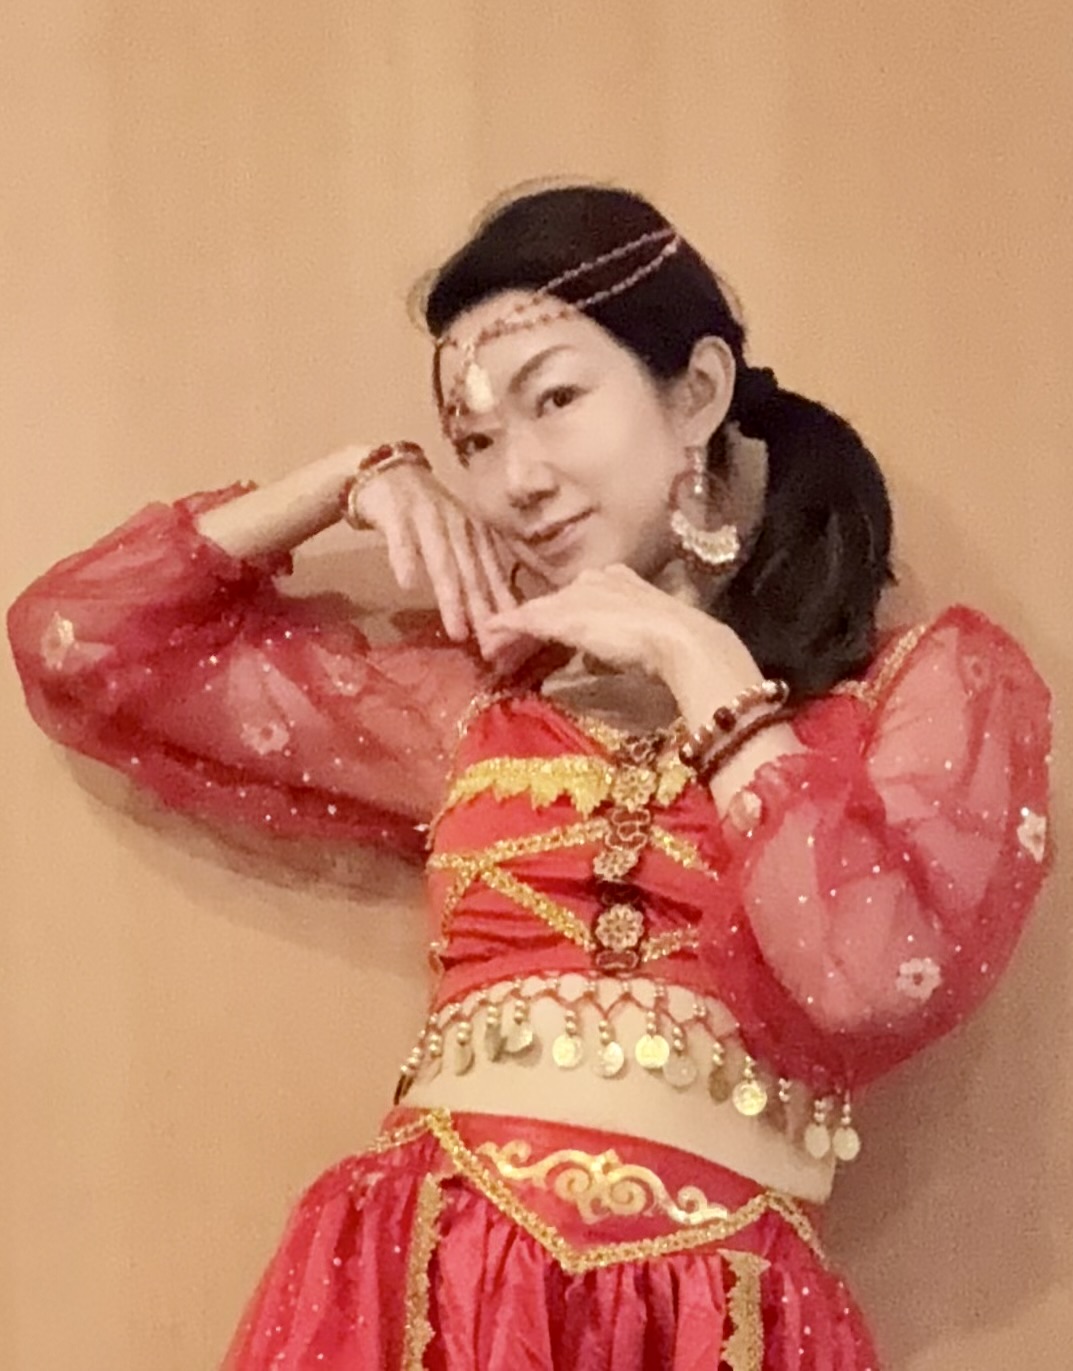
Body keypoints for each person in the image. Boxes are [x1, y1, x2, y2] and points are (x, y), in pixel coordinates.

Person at [7, 184, 1052, 1370]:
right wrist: (349, 479)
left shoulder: (921, 690)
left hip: (712, 1317)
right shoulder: (479, 700)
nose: (516, 480)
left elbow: (868, 980)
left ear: (697, 390)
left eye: (554, 400)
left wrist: (700, 664)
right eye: (474, 442)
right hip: (436, 1287)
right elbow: (81, 641)